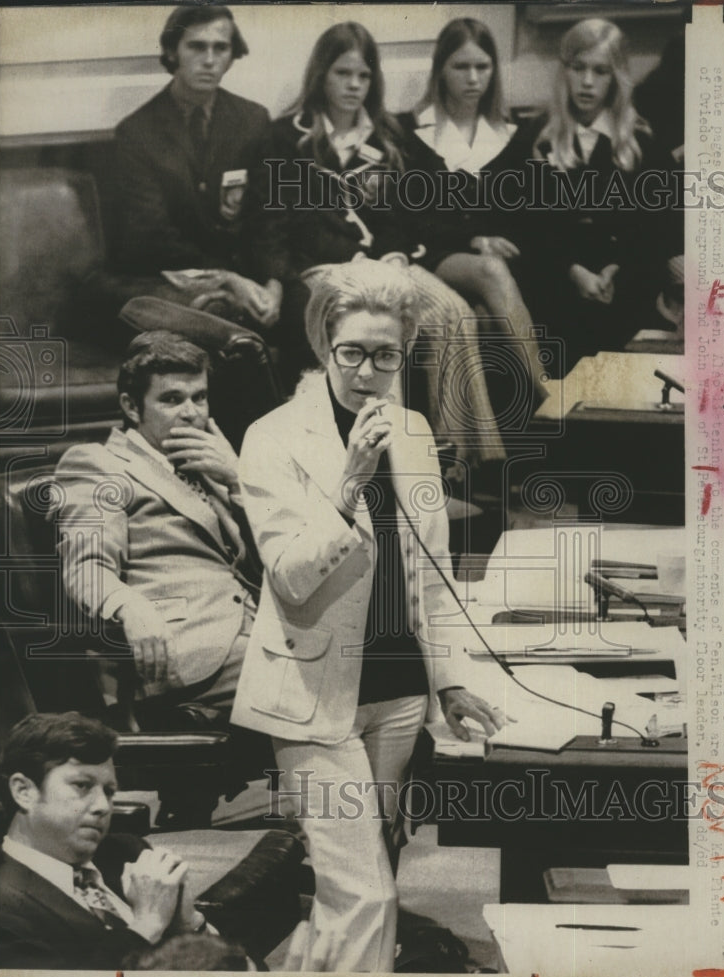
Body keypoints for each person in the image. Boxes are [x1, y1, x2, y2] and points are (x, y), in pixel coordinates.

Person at [230, 260, 506, 971]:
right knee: (365, 896)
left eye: (385, 355)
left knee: (350, 879)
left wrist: (448, 681)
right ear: (325, 345)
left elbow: (432, 574)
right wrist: (347, 486)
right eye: (351, 352)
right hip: (311, 696)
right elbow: (290, 577)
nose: (366, 371)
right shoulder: (272, 437)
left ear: (403, 355)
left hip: (398, 693)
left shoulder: (412, 432)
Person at [256, 21, 506, 461]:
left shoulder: (388, 137)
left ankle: (466, 457)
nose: (354, 85)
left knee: (453, 312)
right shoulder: (287, 138)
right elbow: (283, 223)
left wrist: (392, 255)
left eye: (363, 76)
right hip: (325, 268)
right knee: (381, 328)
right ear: (321, 75)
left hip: (387, 264)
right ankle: (394, 460)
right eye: (342, 73)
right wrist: (343, 260)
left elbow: (403, 216)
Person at [53, 332, 258, 730]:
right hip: (184, 651)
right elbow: (85, 567)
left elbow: (263, 558)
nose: (191, 413)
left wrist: (237, 481)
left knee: (371, 667)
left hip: (253, 634)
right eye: (172, 399)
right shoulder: (97, 464)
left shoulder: (208, 463)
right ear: (132, 406)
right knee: (332, 677)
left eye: (199, 397)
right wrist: (129, 607)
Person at [400, 18, 548, 408]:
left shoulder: (513, 136)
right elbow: (411, 216)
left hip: (499, 262)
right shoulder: (411, 133)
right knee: (490, 270)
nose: (472, 78)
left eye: (482, 67)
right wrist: (473, 238)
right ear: (441, 71)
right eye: (460, 67)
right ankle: (548, 389)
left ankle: (484, 447)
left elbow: (523, 215)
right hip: (432, 253)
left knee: (482, 316)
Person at [522, 17, 681, 371]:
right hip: (557, 280)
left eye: (601, 71)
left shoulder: (640, 143)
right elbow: (530, 225)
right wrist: (573, 271)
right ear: (565, 72)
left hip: (626, 281)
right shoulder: (537, 137)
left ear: (617, 78)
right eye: (578, 69)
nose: (588, 82)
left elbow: (660, 226)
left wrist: (616, 268)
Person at [0, 712, 213, 969]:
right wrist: (147, 925)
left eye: (109, 792)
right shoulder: (0, 908)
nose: (103, 806)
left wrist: (191, 925)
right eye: (82, 786)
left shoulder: (129, 854)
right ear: (24, 791)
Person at [113, 6, 282, 332]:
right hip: (172, 283)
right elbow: (149, 236)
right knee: (214, 316)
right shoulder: (136, 132)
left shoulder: (253, 120)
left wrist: (274, 282)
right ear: (171, 51)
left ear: (233, 55)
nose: (209, 59)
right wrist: (226, 278)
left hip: (249, 278)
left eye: (220, 48)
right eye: (196, 46)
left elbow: (269, 216)